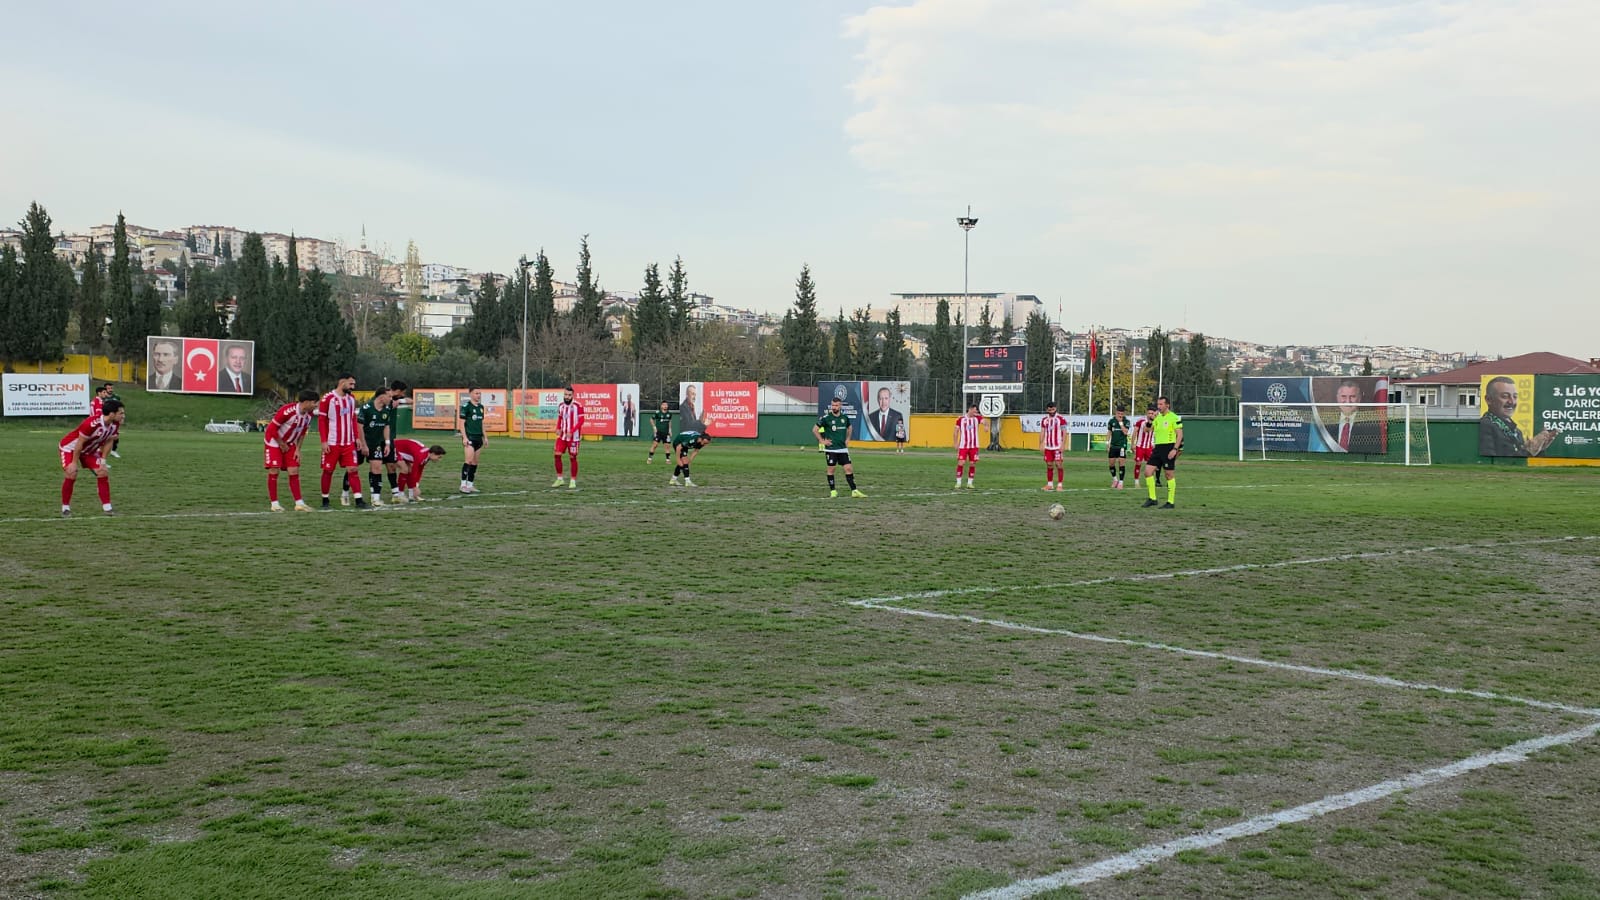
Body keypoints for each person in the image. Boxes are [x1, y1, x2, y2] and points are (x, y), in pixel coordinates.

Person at [59, 398, 124, 517]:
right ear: (111, 414)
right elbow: (79, 444)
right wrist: (74, 463)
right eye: (121, 413)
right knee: (71, 473)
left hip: (89, 451)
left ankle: (108, 508)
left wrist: (103, 461)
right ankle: (65, 508)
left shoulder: (115, 424)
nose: (123, 416)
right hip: (70, 448)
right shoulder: (91, 423)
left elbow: (109, 441)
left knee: (102, 472)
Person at [318, 372, 368, 509]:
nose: (353, 387)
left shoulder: (351, 399)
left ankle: (359, 500)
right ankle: (325, 500)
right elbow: (322, 420)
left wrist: (356, 437)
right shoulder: (328, 398)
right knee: (328, 471)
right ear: (342, 382)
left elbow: (353, 418)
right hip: (332, 442)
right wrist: (324, 441)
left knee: (353, 469)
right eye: (351, 383)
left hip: (348, 442)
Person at [264, 389, 318, 512]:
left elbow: (303, 432)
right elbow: (271, 429)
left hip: (289, 443)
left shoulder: (309, 415)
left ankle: (299, 503)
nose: (316, 405)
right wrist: (281, 444)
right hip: (274, 441)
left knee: (294, 470)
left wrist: (298, 449)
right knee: (274, 470)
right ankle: (274, 504)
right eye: (315, 403)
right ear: (307, 402)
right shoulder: (288, 411)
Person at [1479, 376, 1559, 457]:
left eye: (1515, 396)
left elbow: (1522, 465)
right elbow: (1490, 463)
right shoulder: (1484, 426)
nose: (1512, 402)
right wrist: (1529, 451)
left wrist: (1539, 449)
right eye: (1505, 396)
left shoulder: (1517, 432)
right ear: (1488, 399)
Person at [814, 397, 866, 498]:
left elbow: (850, 427)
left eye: (836, 405)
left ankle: (854, 491)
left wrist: (848, 439)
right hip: (831, 449)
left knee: (848, 469)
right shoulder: (826, 418)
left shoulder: (844, 418)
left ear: (840, 406)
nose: (834, 407)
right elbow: (815, 429)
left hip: (842, 449)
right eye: (833, 405)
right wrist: (822, 441)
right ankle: (833, 491)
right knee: (831, 470)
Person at [1141, 396, 1183, 509]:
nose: (1158, 407)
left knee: (1169, 474)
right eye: (1158, 404)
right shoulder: (1157, 418)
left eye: (1161, 404)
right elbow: (1147, 430)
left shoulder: (1174, 417)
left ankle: (1170, 502)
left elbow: (1180, 434)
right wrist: (1150, 421)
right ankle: (1152, 498)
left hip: (1168, 447)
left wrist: (1175, 449)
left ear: (1167, 405)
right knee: (1147, 472)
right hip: (1158, 448)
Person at [356, 389, 394, 506]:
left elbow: (386, 426)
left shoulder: (387, 409)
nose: (391, 399)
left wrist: (387, 443)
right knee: (353, 468)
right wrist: (363, 445)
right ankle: (345, 493)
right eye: (389, 396)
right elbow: (359, 427)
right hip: (361, 442)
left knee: (377, 467)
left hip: (376, 444)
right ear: (381, 397)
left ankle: (375, 498)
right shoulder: (366, 408)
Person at [1322, 379, 1381, 453]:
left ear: (1359, 399)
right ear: (1337, 398)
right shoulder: (1327, 423)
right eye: (1343, 396)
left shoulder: (1371, 425)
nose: (1348, 401)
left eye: (1352, 396)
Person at [552, 386, 584, 489]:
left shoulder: (578, 406)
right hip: (562, 436)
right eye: (565, 395)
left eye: (569, 395)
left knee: (572, 457)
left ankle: (573, 480)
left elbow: (581, 421)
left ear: (572, 396)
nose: (567, 397)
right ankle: (560, 479)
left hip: (574, 437)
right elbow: (560, 418)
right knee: (557, 454)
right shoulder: (561, 406)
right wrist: (558, 428)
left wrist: (572, 431)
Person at [458, 386, 486, 493]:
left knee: (475, 462)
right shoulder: (466, 407)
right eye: (476, 393)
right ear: (470, 394)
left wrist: (485, 437)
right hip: (469, 437)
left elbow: (482, 423)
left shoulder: (481, 407)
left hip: (479, 438)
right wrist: (464, 437)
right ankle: (463, 485)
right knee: (468, 461)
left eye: (479, 393)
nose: (478, 395)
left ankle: (470, 485)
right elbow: (462, 423)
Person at [1039, 401, 1068, 491]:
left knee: (1058, 464)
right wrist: (1041, 444)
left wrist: (1063, 444)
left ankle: (1060, 484)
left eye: (1053, 409)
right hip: (1048, 446)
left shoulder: (1061, 419)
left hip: (1057, 446)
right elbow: (1042, 432)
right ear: (1047, 410)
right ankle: (1050, 484)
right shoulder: (1044, 420)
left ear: (1055, 408)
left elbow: (1064, 433)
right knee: (1049, 464)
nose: (1051, 411)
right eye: (1050, 410)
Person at [954, 403, 983, 489]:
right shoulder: (961, 419)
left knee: (972, 463)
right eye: (974, 410)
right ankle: (958, 482)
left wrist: (985, 426)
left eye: (976, 411)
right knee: (961, 462)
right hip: (963, 445)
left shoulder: (977, 418)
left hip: (974, 446)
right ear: (970, 409)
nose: (976, 412)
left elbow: (984, 422)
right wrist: (955, 443)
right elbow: (956, 431)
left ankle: (970, 483)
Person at [1131, 403, 1157, 488]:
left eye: (1152, 413)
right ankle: (1136, 482)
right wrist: (1133, 444)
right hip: (1140, 446)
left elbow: (1155, 434)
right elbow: (1135, 432)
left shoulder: (1156, 422)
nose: (1150, 415)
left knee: (1152, 465)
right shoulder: (1141, 421)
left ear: (1155, 414)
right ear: (1147, 413)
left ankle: (1151, 481)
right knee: (1138, 462)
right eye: (1149, 413)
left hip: (1149, 447)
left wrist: (1154, 444)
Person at [1107, 405, 1131, 488]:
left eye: (1121, 414)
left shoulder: (1126, 421)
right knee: (1111, 464)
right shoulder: (1111, 421)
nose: (1120, 415)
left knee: (1121, 463)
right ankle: (1115, 479)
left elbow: (1125, 432)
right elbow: (1109, 432)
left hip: (1122, 445)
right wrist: (1107, 443)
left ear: (1124, 414)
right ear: (1116, 413)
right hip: (1113, 445)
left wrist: (1121, 423)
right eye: (1118, 413)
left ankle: (1121, 482)